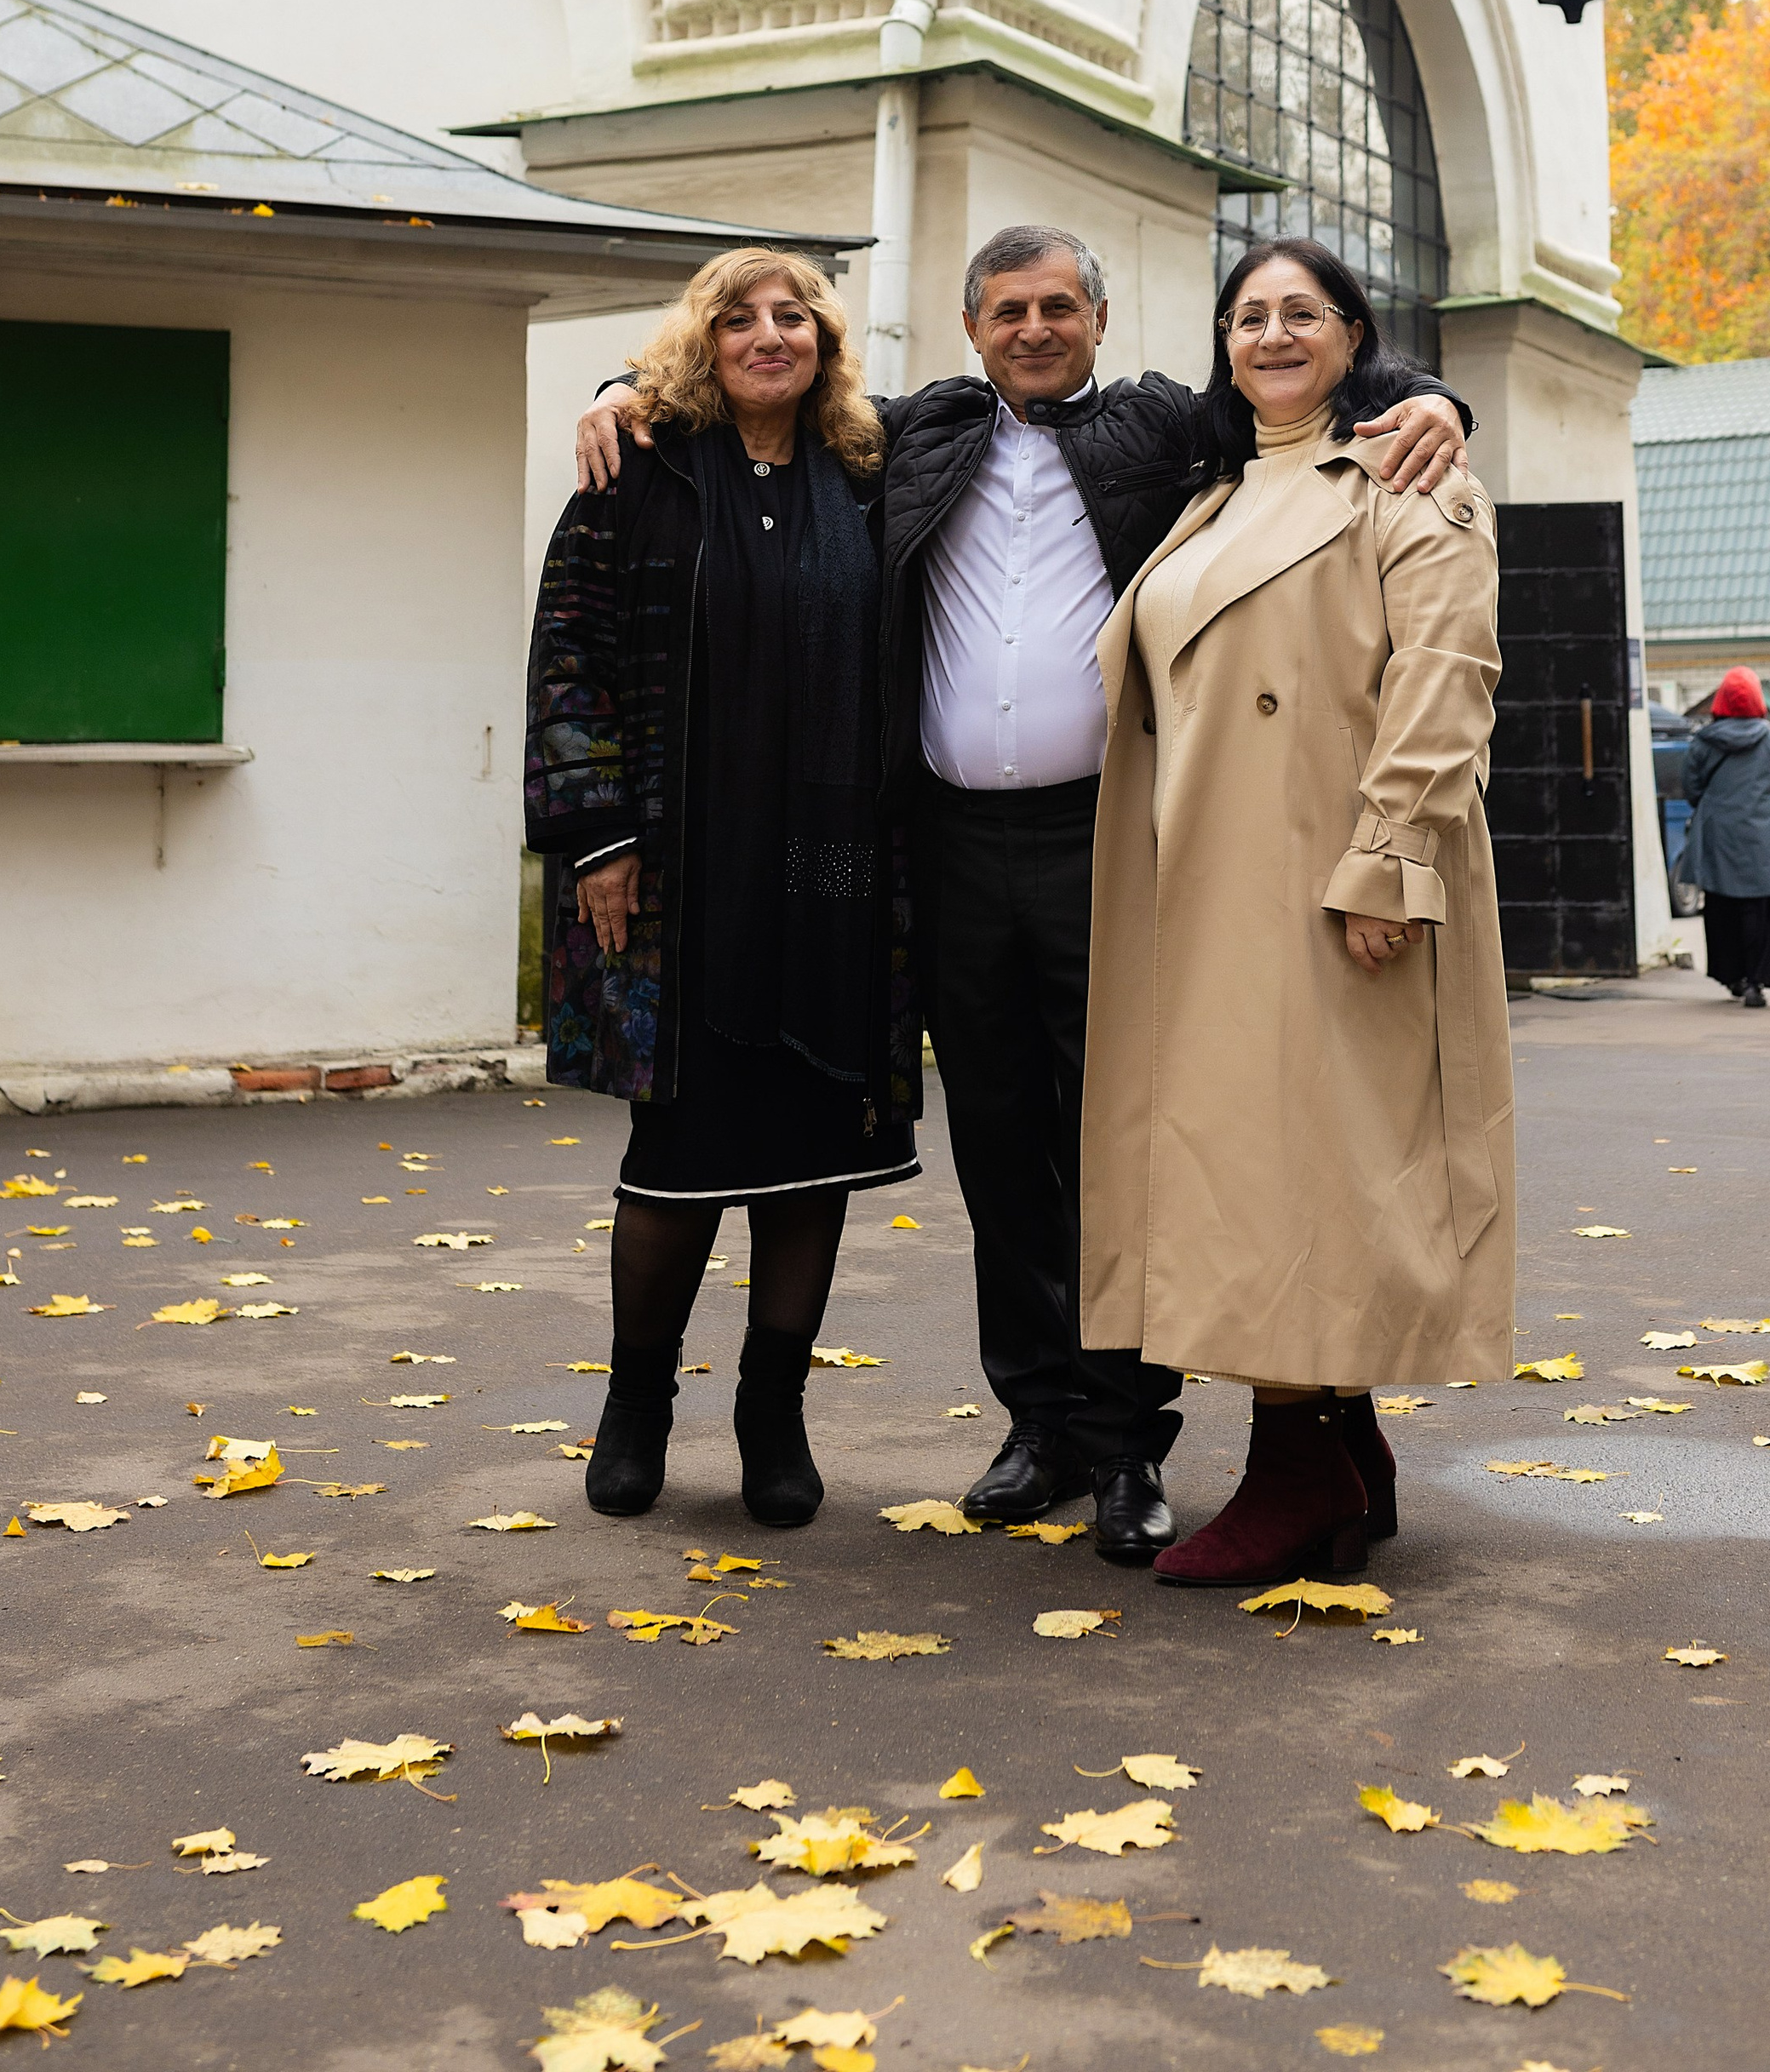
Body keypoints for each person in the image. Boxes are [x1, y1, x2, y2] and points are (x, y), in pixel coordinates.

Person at [576, 222, 1472, 1565]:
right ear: (972, 325)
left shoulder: (1171, 429)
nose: (1035, 328)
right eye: (1008, 310)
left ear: (1100, 324)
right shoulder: (913, 436)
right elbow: (760, 384)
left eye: (1060, 307)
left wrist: (1435, 401)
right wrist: (617, 392)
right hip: (940, 844)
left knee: (1119, 1143)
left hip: (1108, 842)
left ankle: (1126, 1447)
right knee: (999, 1147)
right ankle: (1040, 1422)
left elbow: (1306, 392)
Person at [1077, 238, 1511, 1588]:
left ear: (1353, 335)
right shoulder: (1210, 495)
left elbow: (1448, 676)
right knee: (1256, 1161)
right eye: (1248, 315)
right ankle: (1343, 1442)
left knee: (1295, 1167)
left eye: (1301, 313)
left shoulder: (1409, 476)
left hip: (1332, 878)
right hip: (1204, 881)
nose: (1271, 334)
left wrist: (1389, 863)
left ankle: (1290, 1462)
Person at [525, 248, 916, 1533]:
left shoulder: (870, 472)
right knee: (677, 1146)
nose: (769, 336)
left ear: (826, 341)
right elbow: (570, 655)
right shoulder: (633, 467)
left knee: (810, 1151)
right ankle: (638, 1405)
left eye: (793, 316)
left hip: (832, 873)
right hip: (681, 861)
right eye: (740, 318)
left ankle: (772, 1415)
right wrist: (594, 841)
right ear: (699, 342)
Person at [1676, 668, 1770, 1007]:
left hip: (1718, 837)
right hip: (1765, 839)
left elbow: (1691, 788)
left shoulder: (1703, 741)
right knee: (1762, 909)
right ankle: (1757, 983)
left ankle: (1732, 975)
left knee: (1722, 907)